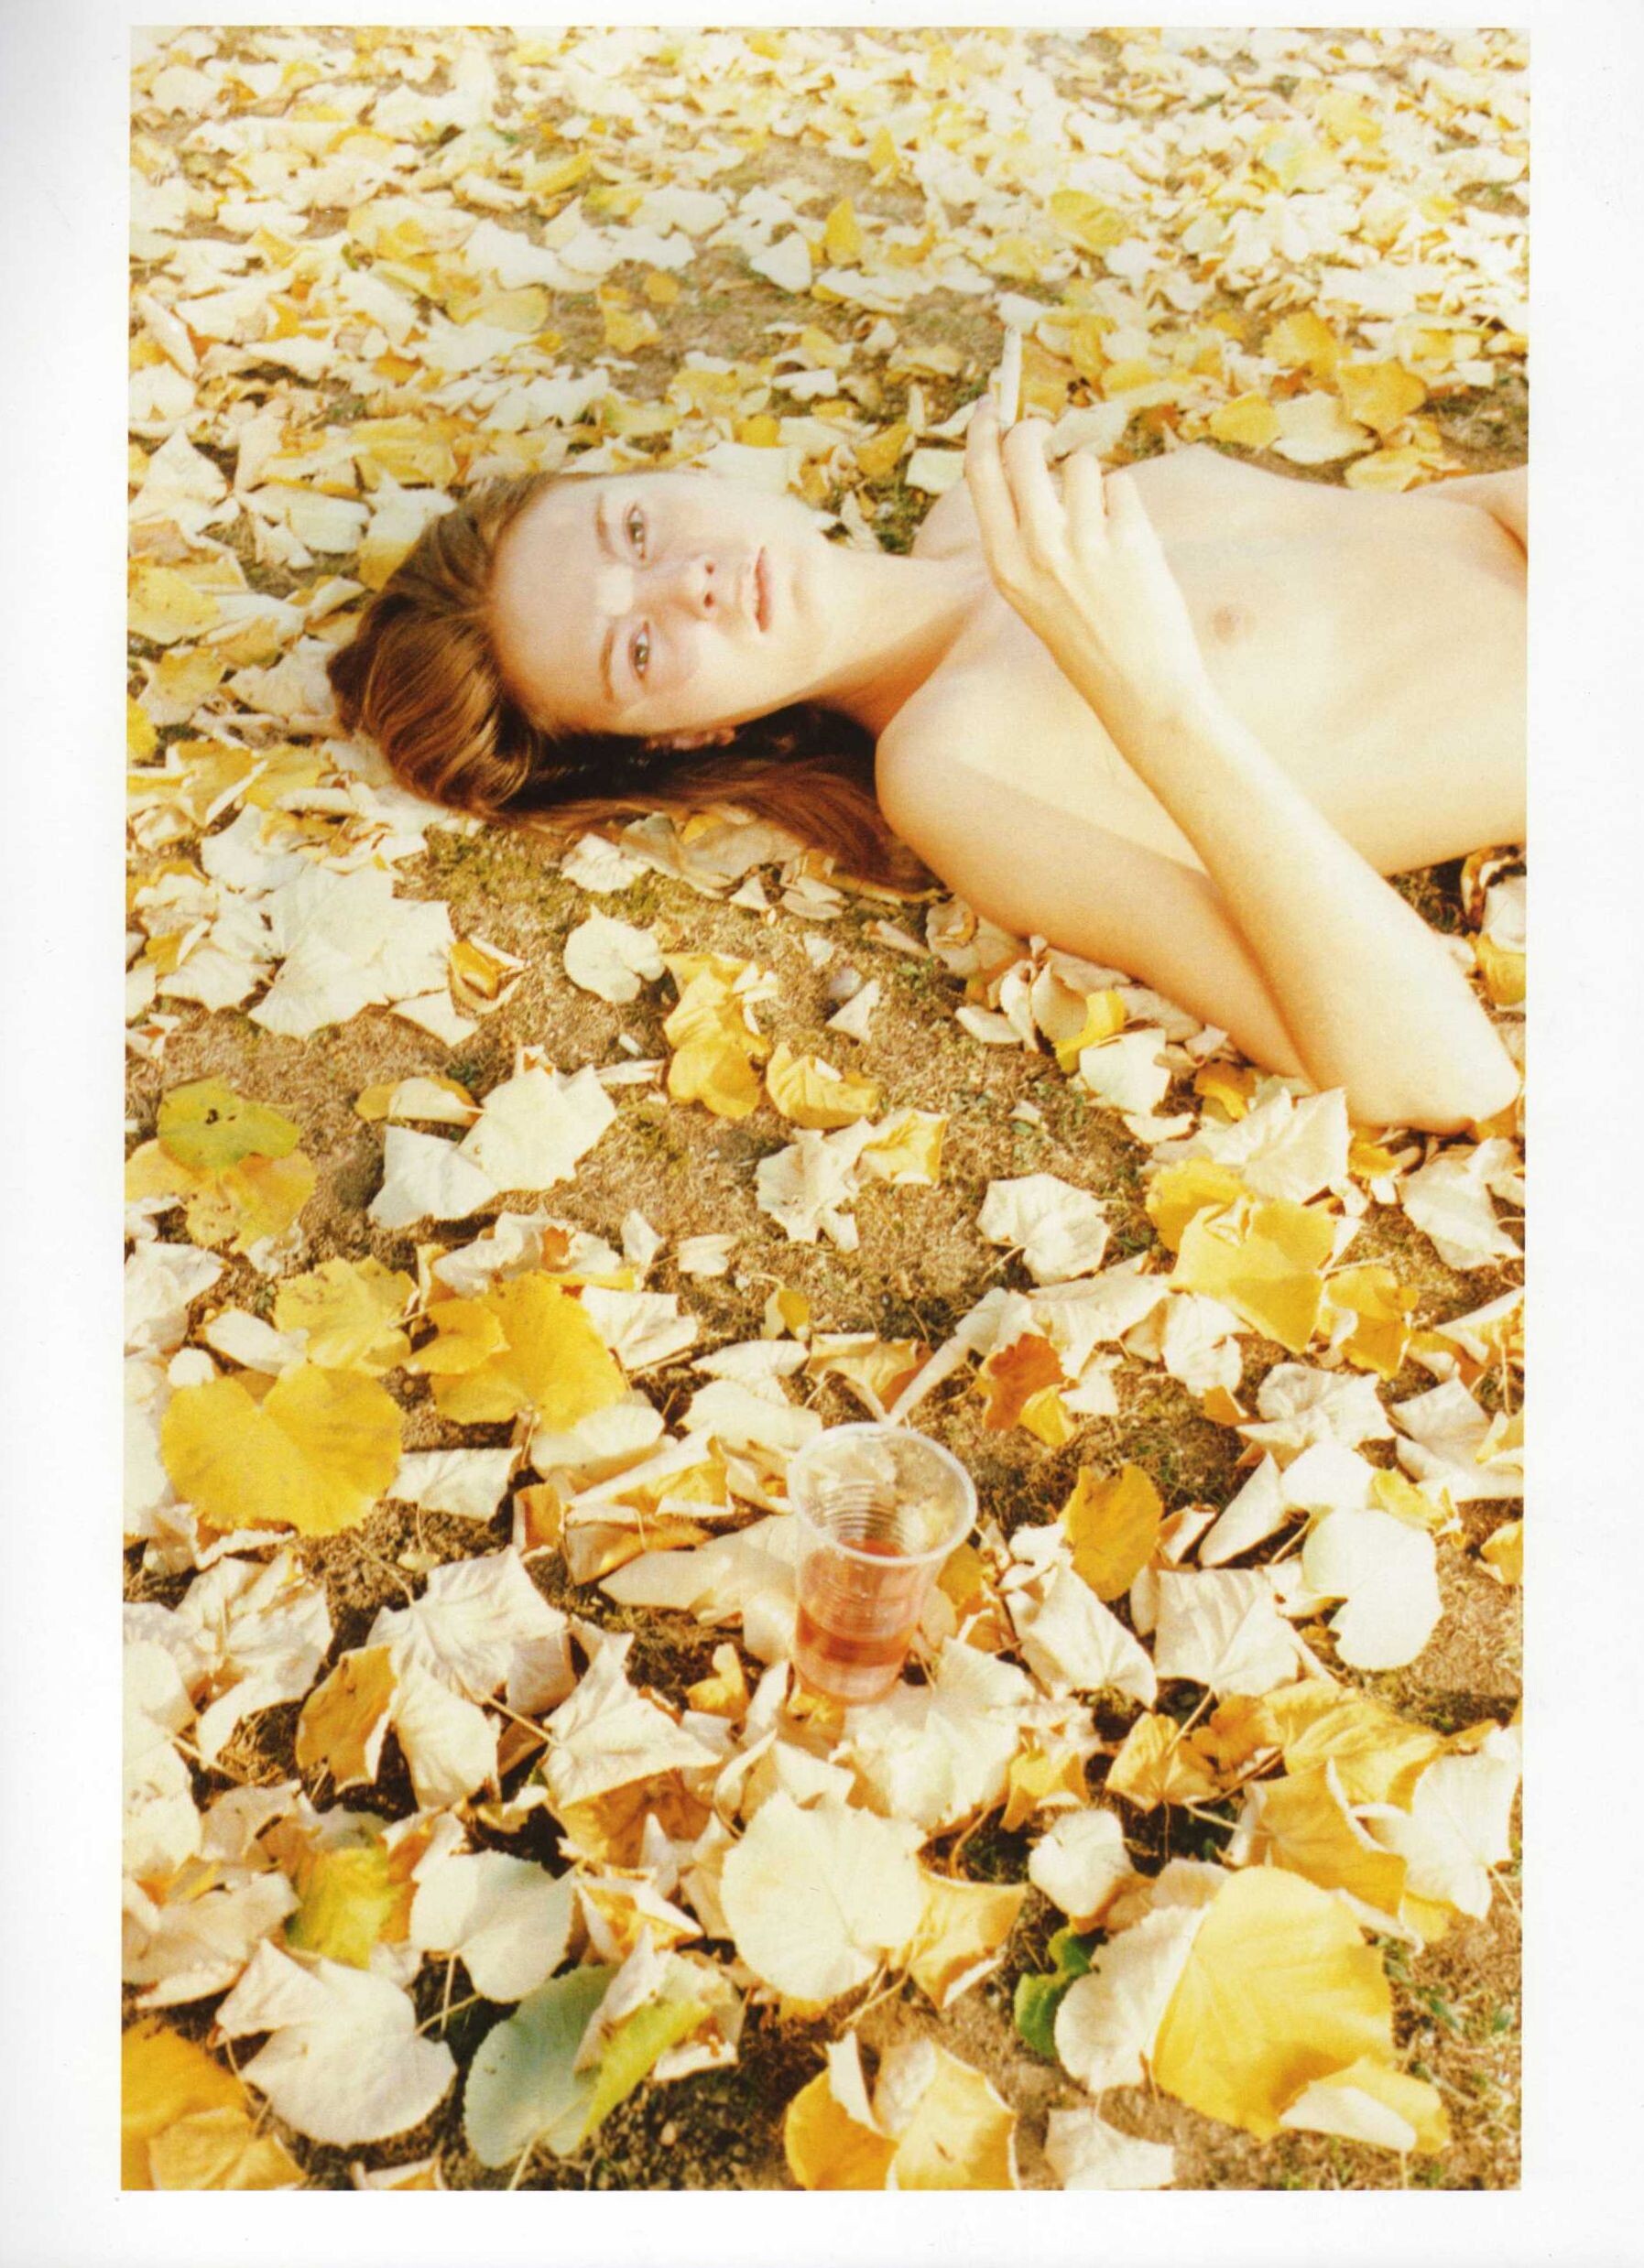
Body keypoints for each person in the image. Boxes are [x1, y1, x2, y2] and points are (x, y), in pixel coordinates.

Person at [328, 396, 1527, 1135]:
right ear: (683, 738)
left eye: (635, 529)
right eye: (638, 649)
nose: (688, 582)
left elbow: (1414, 537)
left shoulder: (982, 518)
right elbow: (1441, 1075)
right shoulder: (954, 768)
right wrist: (1153, 694)